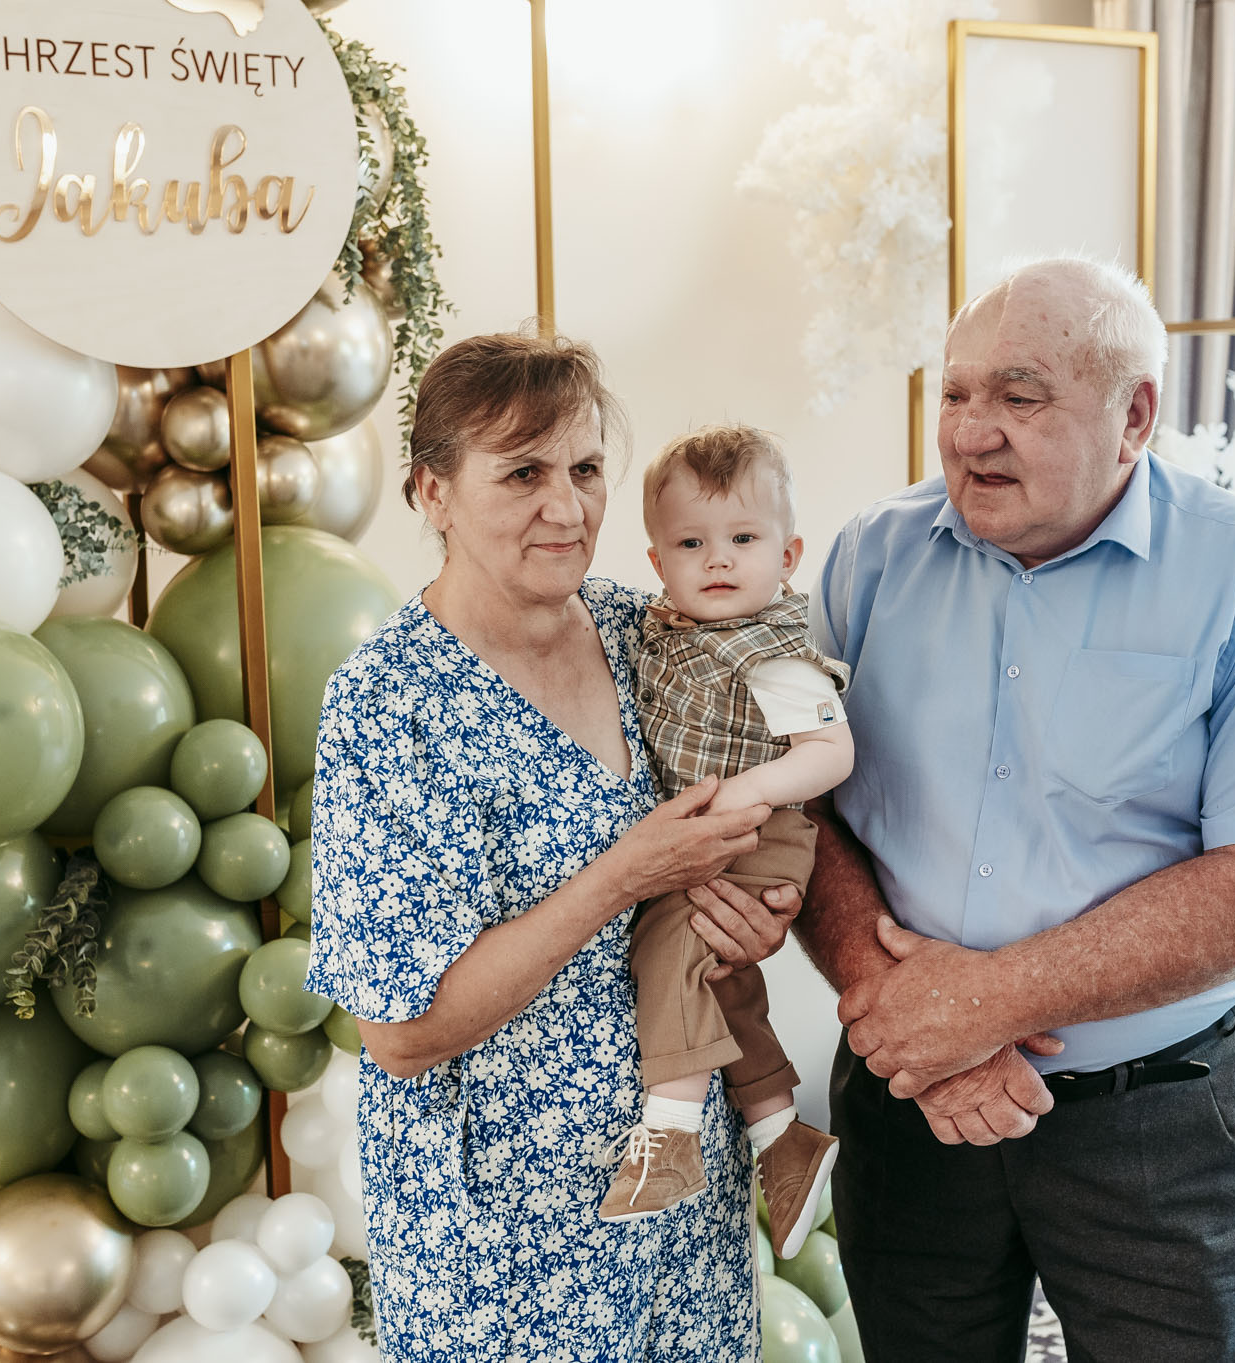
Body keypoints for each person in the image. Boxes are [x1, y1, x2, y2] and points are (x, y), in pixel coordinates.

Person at [799, 256, 1235, 1362]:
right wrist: (897, 1003)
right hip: (910, 1102)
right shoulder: (870, 555)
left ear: (1133, 416)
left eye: (1020, 397)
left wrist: (988, 1001)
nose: (971, 432)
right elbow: (799, 811)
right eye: (955, 393)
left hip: (1165, 1123)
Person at [305, 332, 801, 1362]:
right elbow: (399, 1033)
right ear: (433, 492)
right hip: (502, 1240)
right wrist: (626, 874)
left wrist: (755, 916)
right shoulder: (388, 702)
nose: (567, 508)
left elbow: (761, 801)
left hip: (678, 1205)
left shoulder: (645, 631)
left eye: (583, 469)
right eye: (522, 473)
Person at [599, 425, 848, 1258]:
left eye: (744, 539)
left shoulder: (775, 651)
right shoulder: (666, 630)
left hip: (757, 831)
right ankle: (782, 1137)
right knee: (720, 981)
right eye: (691, 543)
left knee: (668, 943)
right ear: (657, 559)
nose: (718, 560)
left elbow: (831, 751)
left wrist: (748, 792)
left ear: (788, 554)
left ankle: (670, 1133)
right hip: (712, 832)